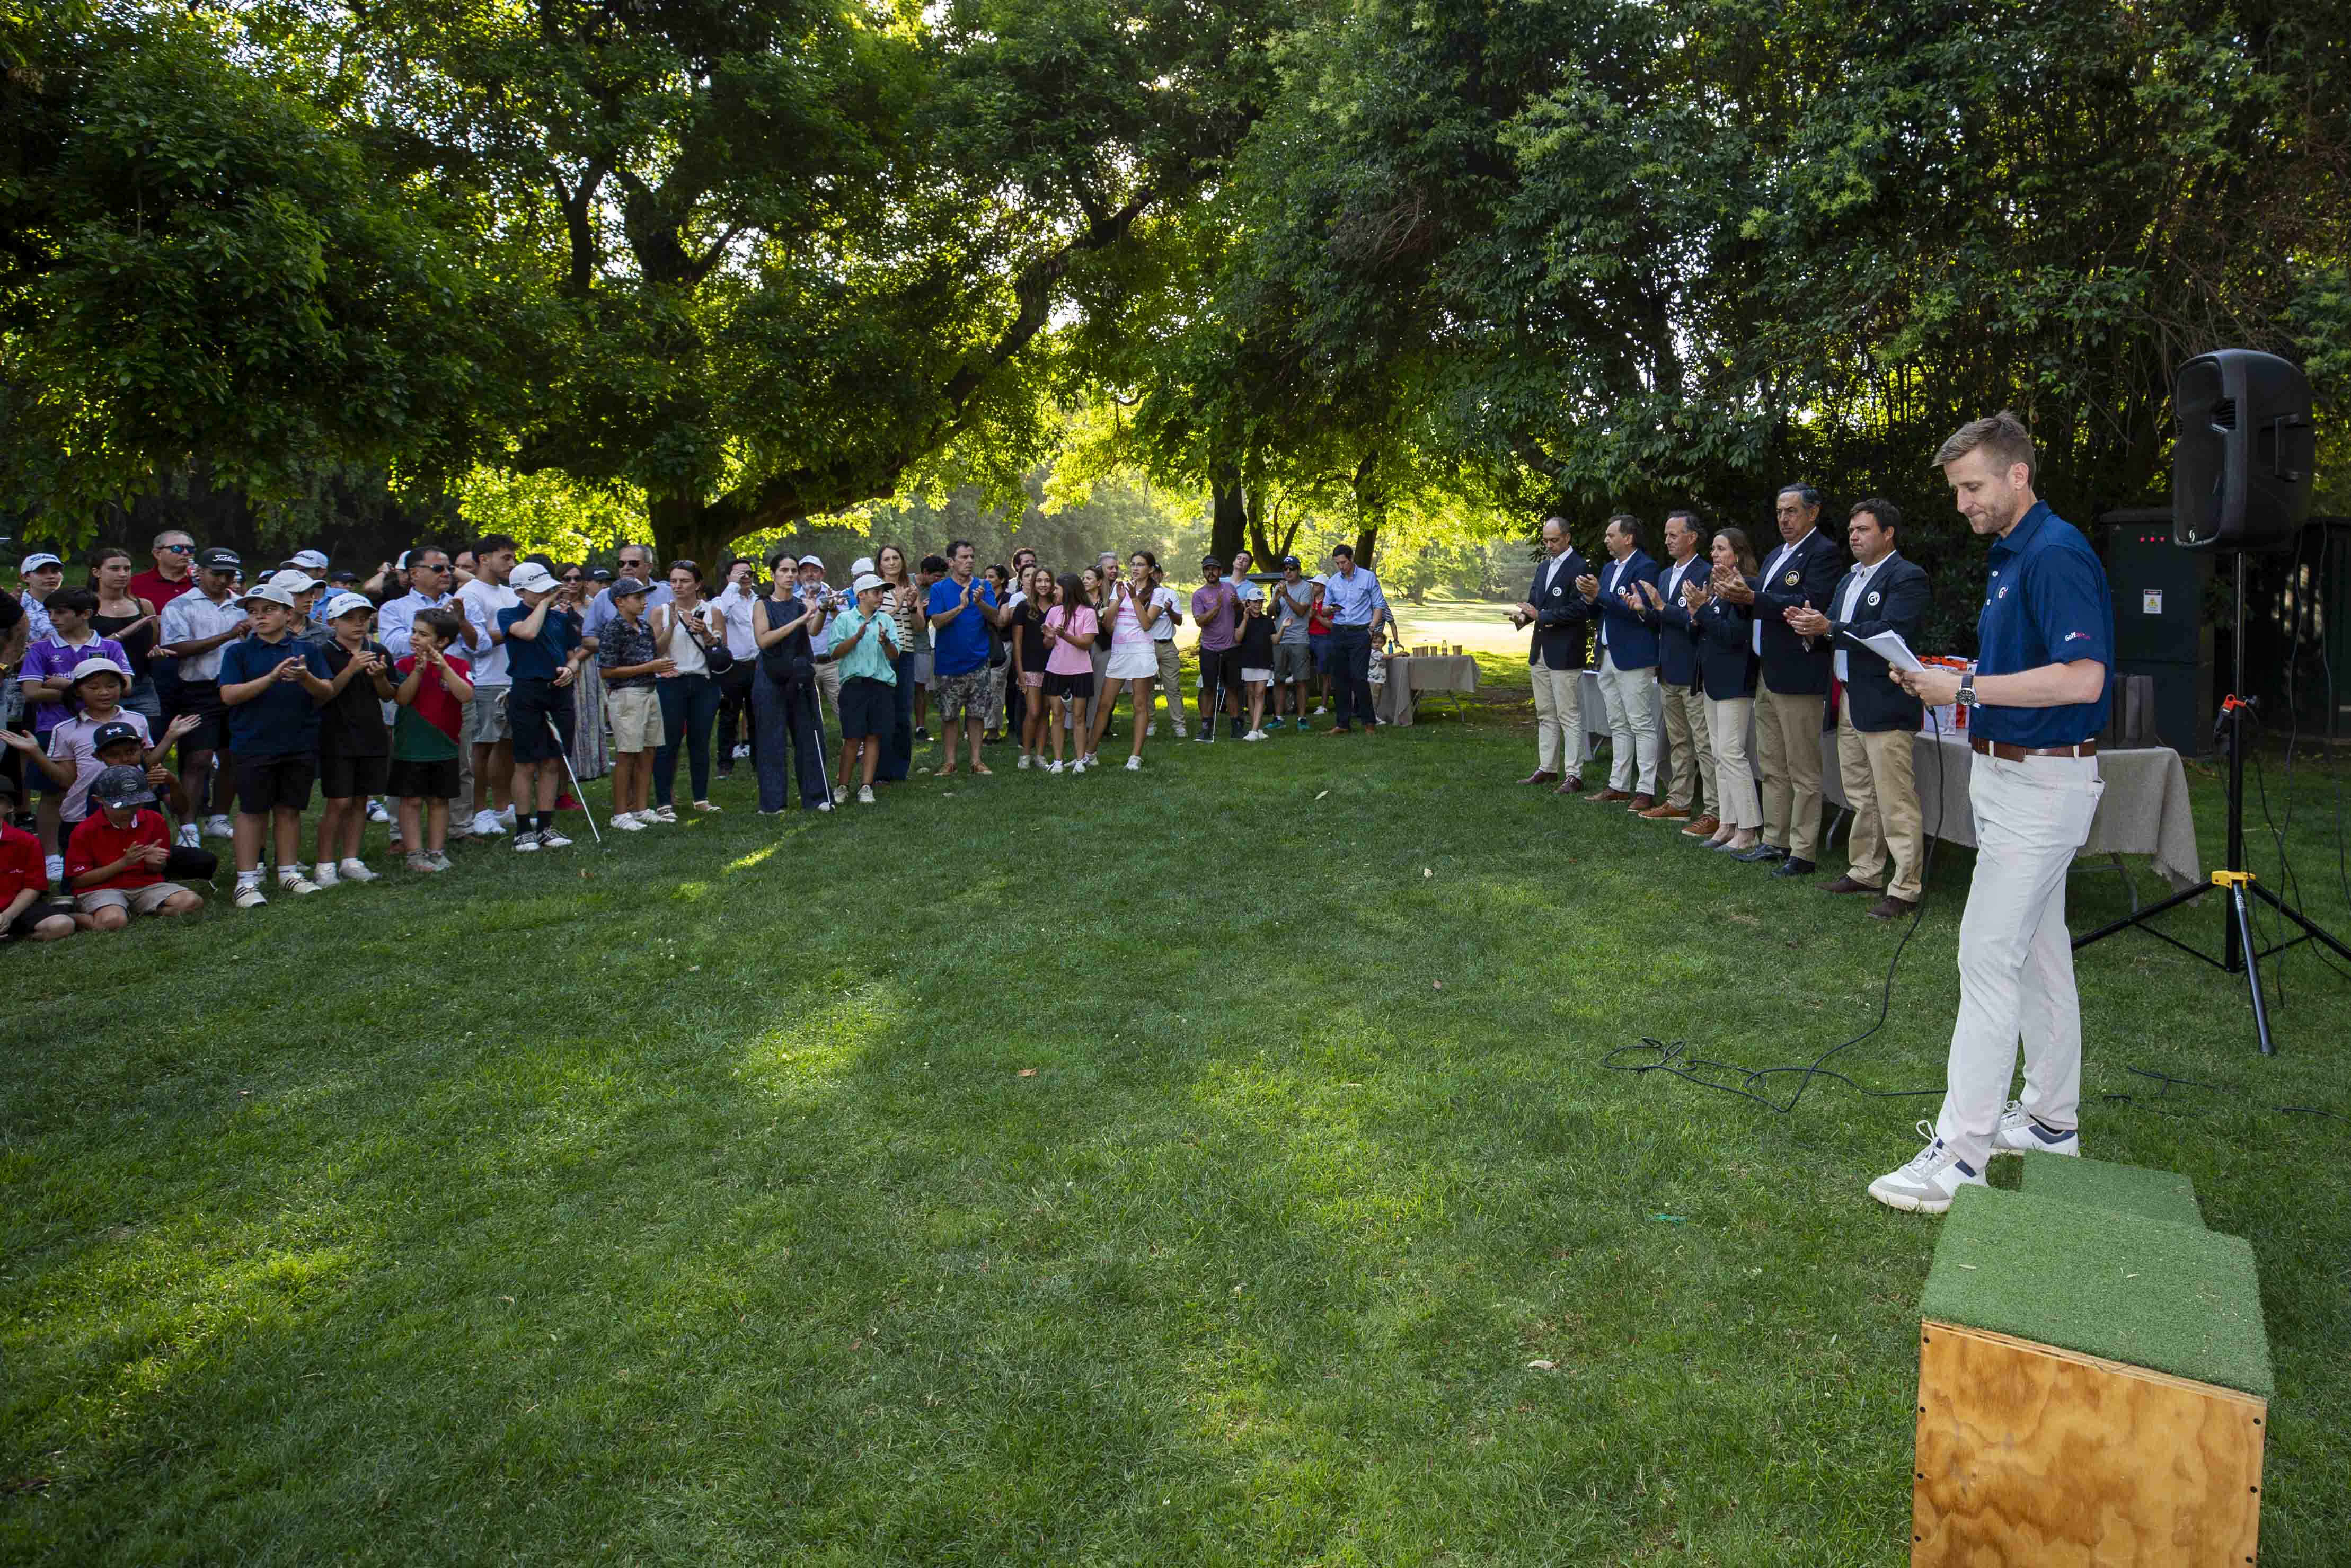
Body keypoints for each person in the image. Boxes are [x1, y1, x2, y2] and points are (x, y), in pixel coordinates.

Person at [1866, 413, 2114, 1213]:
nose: (1962, 502)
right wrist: (1943, 677)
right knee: (2040, 956)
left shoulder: (2055, 551)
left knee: (1985, 955)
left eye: (1972, 486)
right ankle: (2048, 1121)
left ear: (2017, 475)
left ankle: (1960, 1155)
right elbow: (2026, 669)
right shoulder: (2013, 553)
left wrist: (1964, 688)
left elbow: (2082, 678)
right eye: (1956, 489)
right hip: (2008, 779)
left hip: (2043, 787)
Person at [1789, 499, 1932, 920]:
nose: (1854, 536)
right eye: (1851, 530)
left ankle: (1905, 887)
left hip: (1886, 699)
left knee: (1894, 797)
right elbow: (1832, 627)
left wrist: (1829, 627)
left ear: (1888, 533)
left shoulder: (1907, 576)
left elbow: (1889, 631)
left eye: (1863, 529)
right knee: (1861, 793)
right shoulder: (1850, 579)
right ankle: (1866, 870)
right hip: (1849, 696)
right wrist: (1811, 626)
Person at [1724, 484, 1843, 877]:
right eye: (1779, 512)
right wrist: (1740, 593)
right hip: (1768, 671)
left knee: (1803, 768)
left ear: (1813, 513)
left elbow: (1809, 604)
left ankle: (1803, 852)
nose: (1784, 519)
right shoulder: (1777, 554)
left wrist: (1751, 598)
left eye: (1792, 511)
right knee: (1772, 763)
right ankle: (1776, 840)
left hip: (1799, 673)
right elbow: (1762, 600)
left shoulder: (1823, 553)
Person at [217, 581, 335, 907]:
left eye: (268, 610)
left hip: (299, 741)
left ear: (288, 614)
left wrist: (305, 678)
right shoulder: (238, 653)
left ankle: (288, 872)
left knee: (289, 810)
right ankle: (246, 881)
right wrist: (270, 678)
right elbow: (228, 695)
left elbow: (326, 692)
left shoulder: (308, 651)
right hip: (253, 743)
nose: (260, 617)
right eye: (253, 612)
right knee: (252, 811)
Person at [376, 546, 484, 839]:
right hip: (411, 690)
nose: (447, 574)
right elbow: (391, 645)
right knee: (403, 761)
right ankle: (400, 834)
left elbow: (481, 645)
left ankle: (460, 827)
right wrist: (432, 633)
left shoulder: (463, 604)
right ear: (414, 573)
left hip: (456, 691)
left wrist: (460, 622)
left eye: (450, 569)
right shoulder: (394, 608)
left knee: (461, 762)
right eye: (439, 568)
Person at [17, 587, 132, 857]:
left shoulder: (110, 648)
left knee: (108, 789)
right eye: (49, 612)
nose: (53, 618)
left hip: (103, 730)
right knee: (54, 794)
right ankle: (51, 856)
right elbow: (32, 692)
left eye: (60, 612)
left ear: (85, 615)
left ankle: (106, 849)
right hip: (53, 729)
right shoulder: (41, 649)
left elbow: (126, 687)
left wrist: (67, 687)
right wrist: (95, 691)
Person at [156, 546, 251, 842]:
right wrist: (227, 636)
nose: (223, 581)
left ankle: (218, 819)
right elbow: (176, 648)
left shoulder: (243, 605)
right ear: (200, 572)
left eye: (229, 575)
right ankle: (188, 828)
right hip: (199, 689)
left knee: (232, 755)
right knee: (198, 758)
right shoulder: (181, 605)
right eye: (216, 574)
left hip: (236, 687)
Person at [496, 563, 587, 851]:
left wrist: (571, 670)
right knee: (525, 763)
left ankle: (546, 827)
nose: (545, 594)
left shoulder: (561, 619)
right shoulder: (509, 615)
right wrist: (546, 603)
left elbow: (574, 656)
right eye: (537, 591)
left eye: (547, 590)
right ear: (519, 592)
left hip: (559, 692)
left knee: (552, 761)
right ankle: (524, 830)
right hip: (527, 692)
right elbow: (528, 633)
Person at [310, 591, 397, 884]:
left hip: (371, 733)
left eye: (364, 618)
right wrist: (351, 669)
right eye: (349, 619)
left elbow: (389, 695)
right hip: (336, 735)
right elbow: (324, 695)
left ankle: (351, 859)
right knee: (339, 802)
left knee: (361, 800)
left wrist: (379, 677)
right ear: (332, 622)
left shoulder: (378, 650)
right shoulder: (323, 652)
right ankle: (324, 865)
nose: (358, 624)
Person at [1686, 528, 1764, 854]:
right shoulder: (1716, 588)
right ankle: (1727, 823)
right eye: (1713, 549)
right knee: (1718, 754)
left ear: (1738, 553)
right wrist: (1696, 613)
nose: (1714, 554)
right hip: (1713, 679)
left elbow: (1735, 636)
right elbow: (1704, 631)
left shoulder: (1745, 587)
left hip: (1736, 679)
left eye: (1721, 549)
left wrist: (1702, 610)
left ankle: (1749, 829)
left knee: (1732, 753)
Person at [1578, 515, 1663, 810]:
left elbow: (1638, 612)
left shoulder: (1646, 568)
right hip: (1607, 654)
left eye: (1611, 535)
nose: (1606, 540)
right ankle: (1618, 785)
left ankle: (1646, 790)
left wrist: (1600, 595)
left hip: (1634, 656)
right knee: (1617, 722)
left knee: (1641, 723)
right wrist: (1590, 598)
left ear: (1628, 538)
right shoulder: (1607, 569)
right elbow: (1602, 610)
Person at [1638, 510, 1716, 827]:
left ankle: (1714, 810)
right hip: (1669, 670)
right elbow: (1663, 620)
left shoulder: (1706, 573)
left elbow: (1697, 622)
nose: (1667, 540)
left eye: (1674, 534)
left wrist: (1661, 607)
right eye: (1666, 535)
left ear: (1692, 537)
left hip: (1694, 672)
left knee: (1704, 744)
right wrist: (1644, 610)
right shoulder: (1666, 574)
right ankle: (1679, 801)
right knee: (1678, 741)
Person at [64, 764, 206, 926]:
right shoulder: (84, 831)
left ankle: (133, 911)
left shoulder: (155, 820)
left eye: (137, 803)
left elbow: (159, 869)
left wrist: (155, 863)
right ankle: (74, 917)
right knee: (113, 921)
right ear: (99, 800)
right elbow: (79, 881)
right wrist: (123, 863)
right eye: (122, 806)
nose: (130, 810)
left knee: (191, 901)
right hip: (102, 889)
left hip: (146, 885)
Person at [1510, 517, 1592, 789]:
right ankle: (1547, 768)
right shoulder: (1544, 566)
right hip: (1541, 650)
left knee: (1568, 714)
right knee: (1545, 712)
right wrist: (1523, 617)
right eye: (1546, 540)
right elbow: (1535, 603)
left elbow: (1581, 609)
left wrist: (1541, 615)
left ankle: (1574, 775)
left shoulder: (1580, 567)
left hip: (1565, 651)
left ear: (1567, 538)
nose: (1549, 545)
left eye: (1554, 540)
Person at [391, 608, 473, 872]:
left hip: (445, 745)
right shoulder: (403, 665)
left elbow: (465, 695)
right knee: (411, 800)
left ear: (442, 642)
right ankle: (415, 854)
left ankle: (437, 852)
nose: (414, 638)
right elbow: (402, 699)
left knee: (439, 800)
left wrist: (444, 668)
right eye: (414, 632)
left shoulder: (458, 666)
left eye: (423, 634)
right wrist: (418, 671)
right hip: (411, 745)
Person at [751, 560, 833, 813]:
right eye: (784, 571)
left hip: (800, 676)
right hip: (770, 677)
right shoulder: (762, 604)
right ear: (773, 574)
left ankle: (817, 798)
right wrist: (798, 622)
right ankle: (773, 803)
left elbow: (814, 630)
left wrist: (820, 610)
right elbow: (764, 640)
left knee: (809, 736)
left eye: (793, 571)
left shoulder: (801, 604)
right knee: (771, 740)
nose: (789, 575)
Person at [455, 534, 522, 837]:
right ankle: (478, 812)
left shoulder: (510, 593)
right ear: (484, 559)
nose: (512, 563)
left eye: (513, 558)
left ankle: (503, 808)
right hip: (485, 680)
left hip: (513, 677)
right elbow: (477, 644)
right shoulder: (470, 594)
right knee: (482, 748)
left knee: (507, 746)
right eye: (506, 557)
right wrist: (514, 629)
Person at [648, 561, 725, 819]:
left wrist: (706, 634)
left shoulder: (712, 611)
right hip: (671, 682)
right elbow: (655, 651)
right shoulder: (660, 612)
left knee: (700, 741)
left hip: (704, 683)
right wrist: (672, 626)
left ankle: (701, 799)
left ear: (698, 584)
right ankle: (664, 802)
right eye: (674, 581)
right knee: (667, 743)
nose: (678, 586)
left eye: (684, 581)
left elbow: (721, 651)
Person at [596, 578, 670, 829]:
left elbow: (650, 659)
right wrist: (649, 667)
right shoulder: (613, 629)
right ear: (620, 602)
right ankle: (620, 814)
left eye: (644, 597)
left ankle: (641, 808)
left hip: (650, 691)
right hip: (627, 695)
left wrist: (659, 668)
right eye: (638, 598)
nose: (644, 602)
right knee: (627, 754)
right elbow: (606, 671)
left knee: (649, 751)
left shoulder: (645, 627)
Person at [925, 540, 1000, 778]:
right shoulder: (939, 589)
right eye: (964, 557)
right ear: (951, 562)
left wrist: (979, 603)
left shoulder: (983, 586)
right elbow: (936, 621)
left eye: (972, 557)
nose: (970, 561)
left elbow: (996, 618)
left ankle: (977, 761)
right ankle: (950, 762)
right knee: (949, 716)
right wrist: (960, 607)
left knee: (977, 714)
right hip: (949, 664)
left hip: (979, 661)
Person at [826, 571, 900, 804]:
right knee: (852, 737)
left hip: (880, 686)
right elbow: (834, 653)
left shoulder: (886, 620)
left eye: (882, 593)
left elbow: (895, 655)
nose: (881, 596)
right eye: (876, 592)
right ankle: (842, 786)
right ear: (861, 595)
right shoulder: (844, 620)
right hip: (854, 686)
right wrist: (856, 638)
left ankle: (866, 786)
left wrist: (885, 642)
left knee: (873, 736)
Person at [1087, 552, 1166, 769]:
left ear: (1151, 569)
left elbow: (1147, 624)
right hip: (1120, 652)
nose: (1135, 568)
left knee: (1140, 705)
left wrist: (1133, 598)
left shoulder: (1157, 593)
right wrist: (1121, 598)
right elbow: (1107, 622)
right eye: (1133, 564)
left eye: (1140, 565)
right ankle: (1089, 754)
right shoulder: (1119, 588)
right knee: (1104, 704)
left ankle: (1135, 757)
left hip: (1141, 652)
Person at [1319, 544, 1391, 734]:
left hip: (1361, 633)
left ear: (1351, 559)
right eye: (1337, 563)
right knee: (1339, 679)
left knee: (1359, 678)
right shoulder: (1333, 582)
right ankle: (1343, 724)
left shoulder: (1368, 577)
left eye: (1343, 562)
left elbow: (1379, 605)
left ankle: (1369, 723)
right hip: (1339, 631)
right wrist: (1329, 609)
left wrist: (1371, 629)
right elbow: (1324, 608)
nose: (1341, 566)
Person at [89, 547, 165, 724]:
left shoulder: (143, 605)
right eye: (115, 569)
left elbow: (153, 643)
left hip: (142, 685)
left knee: (148, 736)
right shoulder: (86, 606)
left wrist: (157, 654)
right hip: (99, 687)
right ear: (96, 572)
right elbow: (82, 647)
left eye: (127, 569)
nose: (123, 574)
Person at [0, 775, 77, 941]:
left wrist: (8, 915)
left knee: (63, 924)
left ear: (10, 807)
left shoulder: (27, 842)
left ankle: (17, 935)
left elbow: (33, 887)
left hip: (18, 907)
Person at [1039, 572, 1097, 773]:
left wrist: (1064, 635)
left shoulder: (1088, 613)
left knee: (1079, 717)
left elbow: (1086, 644)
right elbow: (1048, 645)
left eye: (1057, 588)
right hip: (1056, 669)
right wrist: (1049, 637)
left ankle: (1080, 761)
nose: (1053, 592)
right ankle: (1058, 761)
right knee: (1057, 715)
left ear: (1068, 590)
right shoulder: (1054, 612)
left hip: (1081, 671)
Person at [874, 545, 923, 782]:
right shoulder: (874, 590)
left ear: (902, 562)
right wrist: (897, 604)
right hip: (882, 656)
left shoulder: (911, 589)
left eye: (896, 558)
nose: (892, 563)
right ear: (880, 564)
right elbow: (874, 623)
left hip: (906, 655)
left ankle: (900, 770)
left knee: (903, 713)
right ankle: (880, 770)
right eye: (887, 559)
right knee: (883, 712)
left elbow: (920, 626)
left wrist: (911, 606)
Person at [711, 557, 761, 777]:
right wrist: (733, 586)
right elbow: (720, 612)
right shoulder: (723, 600)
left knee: (757, 714)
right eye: (740, 573)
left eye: (749, 573)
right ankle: (725, 763)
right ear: (728, 577)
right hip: (733, 666)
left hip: (757, 665)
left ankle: (758, 760)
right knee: (729, 716)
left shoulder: (758, 601)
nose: (745, 577)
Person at [1190, 557, 1240, 745]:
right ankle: (1206, 727)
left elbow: (1239, 611)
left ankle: (1236, 727)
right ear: (1204, 572)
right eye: (1207, 569)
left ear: (1220, 571)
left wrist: (1237, 604)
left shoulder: (1230, 588)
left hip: (1231, 647)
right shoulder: (1199, 595)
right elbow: (1200, 621)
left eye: (1214, 569)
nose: (1210, 573)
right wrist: (1217, 607)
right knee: (1209, 689)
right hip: (1209, 648)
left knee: (1232, 688)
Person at [1011, 566, 1054, 768]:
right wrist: (1019, 671)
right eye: (1039, 581)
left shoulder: (1057, 608)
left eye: (1047, 581)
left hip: (1053, 667)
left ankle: (1040, 755)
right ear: (1033, 583)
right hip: (1030, 666)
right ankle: (1025, 755)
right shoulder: (1023, 608)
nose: (1043, 585)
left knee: (1046, 711)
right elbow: (1017, 642)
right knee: (1034, 711)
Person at [1144, 561, 1187, 737]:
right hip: (1147, 645)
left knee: (1173, 688)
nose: (1154, 576)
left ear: (1161, 575)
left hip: (1168, 645)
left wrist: (1169, 611)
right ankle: (1150, 723)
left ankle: (1179, 725)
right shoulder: (1142, 595)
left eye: (1157, 573)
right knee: (1147, 688)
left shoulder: (1170, 594)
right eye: (1151, 573)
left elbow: (1179, 621)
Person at [1233, 569, 1276, 740]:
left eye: (1260, 602)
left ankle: (1254, 730)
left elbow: (1275, 640)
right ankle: (1256, 728)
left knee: (1260, 693)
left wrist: (1283, 628)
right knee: (1251, 694)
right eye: (1255, 602)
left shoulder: (1267, 621)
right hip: (1247, 661)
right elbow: (1238, 638)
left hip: (1264, 661)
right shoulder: (1241, 619)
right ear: (1248, 603)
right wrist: (1245, 619)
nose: (1258, 605)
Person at [16, 552, 64, 642]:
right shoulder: (15, 605)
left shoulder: (73, 603)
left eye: (55, 571)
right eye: (42, 572)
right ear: (25, 578)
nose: (51, 576)